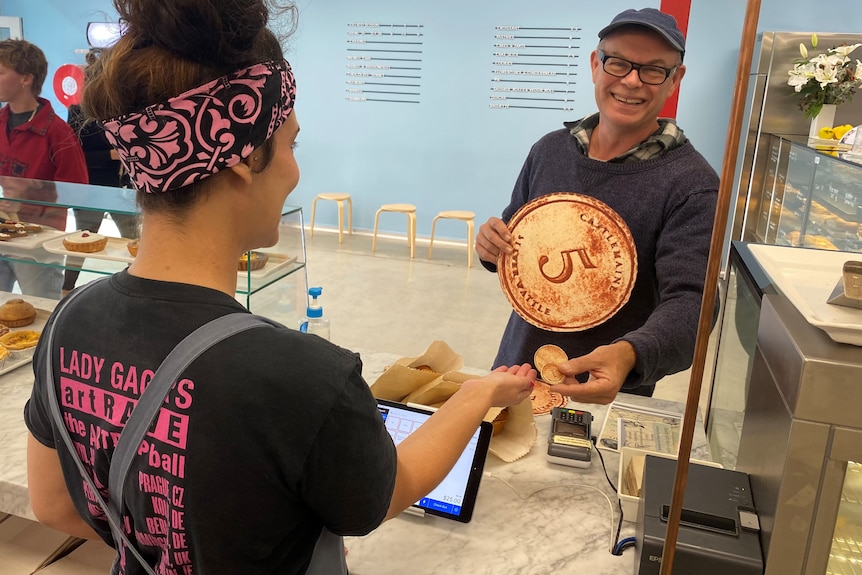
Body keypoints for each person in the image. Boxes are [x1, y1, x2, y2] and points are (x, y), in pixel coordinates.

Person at [24, 1, 535, 573]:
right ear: (242, 156)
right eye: (290, 143)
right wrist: (475, 396)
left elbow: (52, 505)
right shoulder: (301, 376)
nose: (295, 168)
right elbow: (390, 489)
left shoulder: (67, 324)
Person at [476, 8, 718, 405]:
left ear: (676, 79)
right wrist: (491, 246)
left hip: (605, 393)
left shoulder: (692, 185)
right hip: (514, 371)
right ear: (595, 64)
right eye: (618, 63)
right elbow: (513, 239)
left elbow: (694, 303)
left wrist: (631, 354)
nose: (632, 81)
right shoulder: (551, 150)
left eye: (653, 70)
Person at [0, 39, 88, 298]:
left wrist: (27, 198)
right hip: (4, 231)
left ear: (26, 78)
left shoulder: (58, 132)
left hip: (39, 240)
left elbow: (78, 192)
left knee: (42, 310)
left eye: (1, 72)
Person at [63, 48, 138, 295]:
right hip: (91, 190)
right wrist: (110, 155)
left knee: (134, 243)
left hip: (124, 190)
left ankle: (136, 288)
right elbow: (74, 156)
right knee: (79, 243)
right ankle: (66, 288)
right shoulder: (77, 112)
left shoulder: (127, 110)